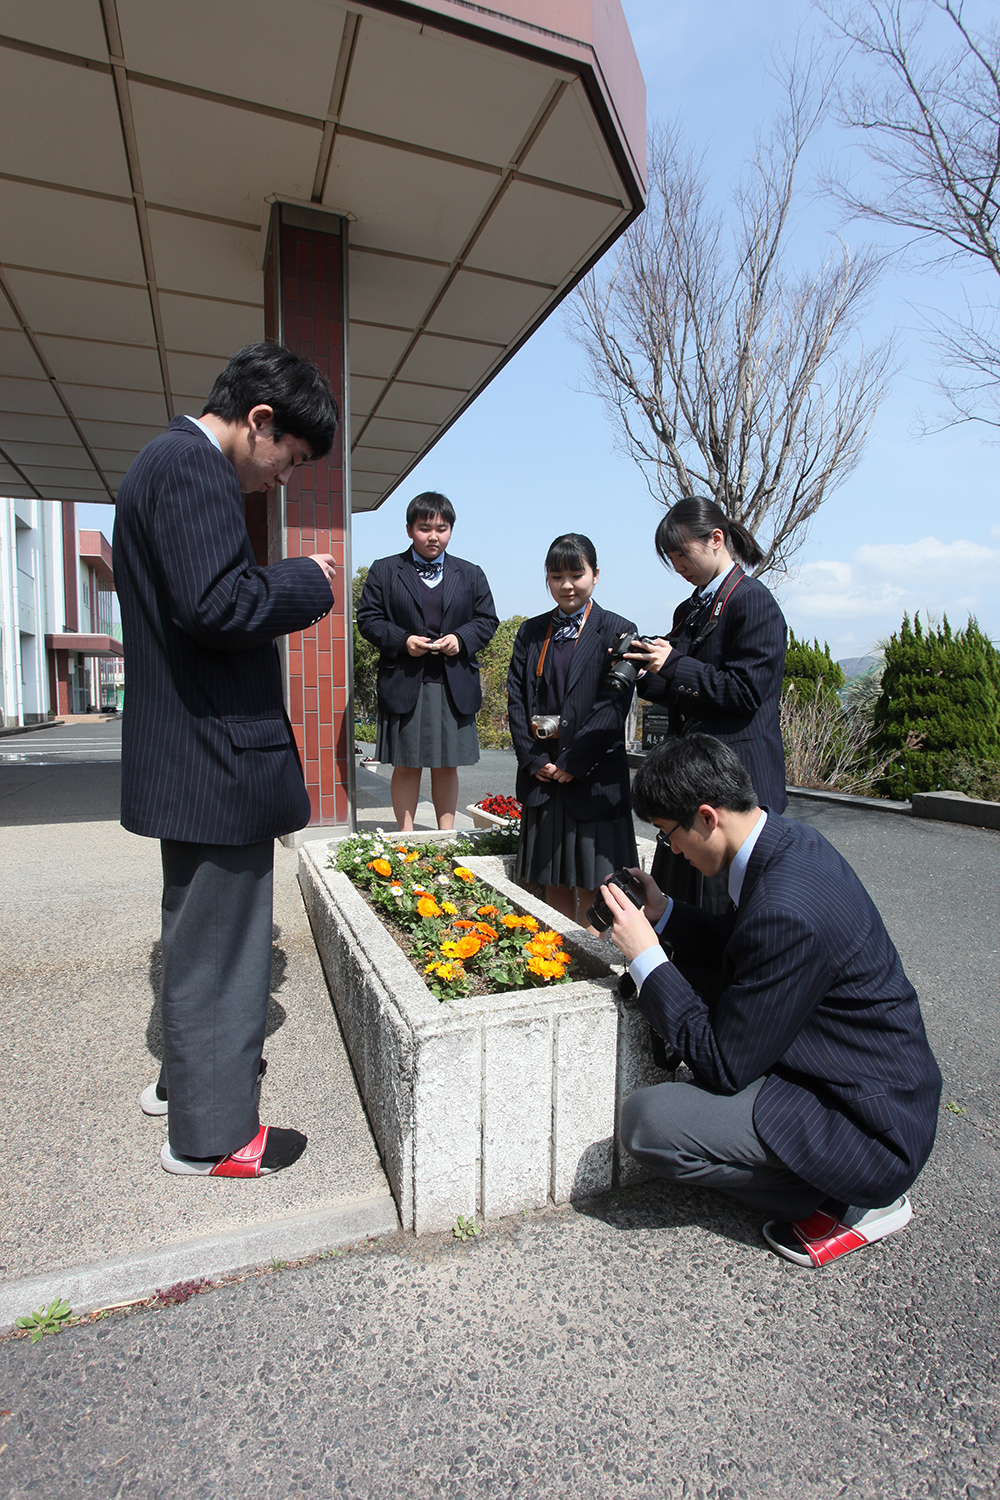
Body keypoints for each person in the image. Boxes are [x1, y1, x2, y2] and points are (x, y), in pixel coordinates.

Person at [114, 342, 339, 1179]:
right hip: (216, 757)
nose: (286, 476)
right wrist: (306, 580)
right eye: (292, 458)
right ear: (259, 421)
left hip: (196, 754)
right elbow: (219, 603)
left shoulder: (164, 464)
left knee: (200, 937)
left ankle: (184, 1086)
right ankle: (211, 1140)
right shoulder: (190, 468)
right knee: (223, 949)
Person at [601, 734, 942, 1268]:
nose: (673, 852)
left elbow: (722, 1063)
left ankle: (849, 1203)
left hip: (867, 1128)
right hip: (852, 1073)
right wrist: (663, 913)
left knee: (650, 1123)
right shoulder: (785, 844)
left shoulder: (787, 906)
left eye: (668, 836)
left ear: (708, 817)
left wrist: (647, 960)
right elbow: (743, 946)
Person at [629, 497, 787, 910]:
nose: (677, 565)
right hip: (694, 778)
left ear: (716, 539)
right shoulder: (692, 608)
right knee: (679, 900)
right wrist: (645, 675)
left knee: (727, 907)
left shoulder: (752, 601)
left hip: (737, 780)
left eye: (682, 553)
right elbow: (687, 691)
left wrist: (674, 663)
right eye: (671, 557)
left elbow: (747, 692)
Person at [506, 534, 638, 928]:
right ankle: (560, 954)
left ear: (596, 575)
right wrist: (534, 759)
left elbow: (613, 707)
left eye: (576, 574)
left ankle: (597, 959)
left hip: (594, 778)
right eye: (556, 575)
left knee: (601, 885)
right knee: (552, 880)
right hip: (544, 778)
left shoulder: (618, 630)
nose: (566, 585)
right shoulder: (530, 632)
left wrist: (573, 761)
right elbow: (516, 700)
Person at [355, 493, 498, 831]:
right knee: (406, 764)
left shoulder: (471, 573)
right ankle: (405, 835)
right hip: (405, 679)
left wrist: (460, 639)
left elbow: (487, 620)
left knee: (447, 764)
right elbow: (368, 619)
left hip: (453, 682)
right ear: (409, 530)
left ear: (450, 530)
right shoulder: (386, 570)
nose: (433, 536)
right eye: (424, 528)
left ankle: (445, 835)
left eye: (442, 528)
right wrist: (403, 641)